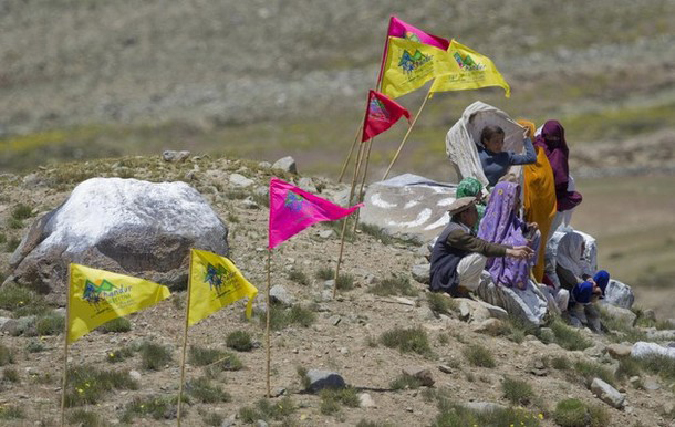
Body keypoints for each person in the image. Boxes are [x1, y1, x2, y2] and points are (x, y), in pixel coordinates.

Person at [429, 197, 534, 297]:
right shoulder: (456, 233)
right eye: (474, 211)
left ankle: (458, 289)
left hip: (448, 272)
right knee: (479, 256)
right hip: (442, 278)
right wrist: (510, 253)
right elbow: (482, 246)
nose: (476, 214)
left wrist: (514, 248)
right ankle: (452, 290)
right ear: (463, 215)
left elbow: (484, 243)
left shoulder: (462, 229)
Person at [477, 180, 539, 290]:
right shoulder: (489, 220)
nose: (517, 201)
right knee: (518, 243)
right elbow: (488, 245)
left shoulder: (511, 216)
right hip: (493, 259)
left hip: (508, 253)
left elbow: (518, 225)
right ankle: (511, 279)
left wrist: (528, 226)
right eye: (514, 197)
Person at [517, 119, 557, 282]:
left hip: (540, 213)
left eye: (527, 131)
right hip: (523, 211)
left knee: (537, 248)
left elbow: (546, 184)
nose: (523, 134)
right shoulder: (513, 154)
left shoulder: (539, 155)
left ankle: (535, 280)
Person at [550, 231, 610, 330]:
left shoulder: (578, 259)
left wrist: (589, 278)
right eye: (581, 246)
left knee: (603, 275)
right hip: (573, 292)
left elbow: (585, 272)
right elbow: (574, 281)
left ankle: (589, 303)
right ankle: (578, 308)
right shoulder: (562, 263)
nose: (583, 249)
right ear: (572, 246)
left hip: (585, 287)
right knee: (586, 286)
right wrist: (593, 287)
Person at [535, 120, 582, 235]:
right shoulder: (537, 148)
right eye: (549, 137)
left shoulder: (561, 151)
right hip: (536, 196)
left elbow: (561, 177)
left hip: (556, 200)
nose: (553, 140)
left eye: (556, 137)